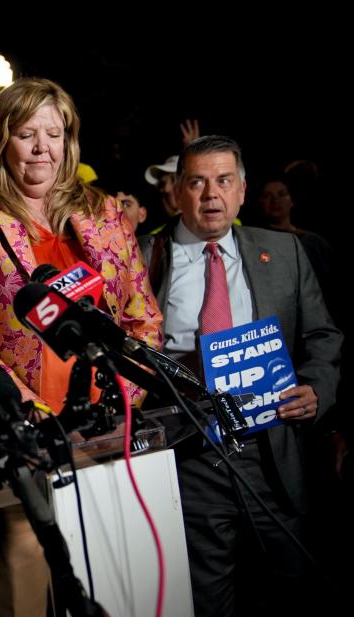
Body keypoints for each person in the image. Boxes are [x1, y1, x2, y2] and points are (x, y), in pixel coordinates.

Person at [0, 76, 163, 617]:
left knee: (112, 570)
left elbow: (140, 314)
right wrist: (29, 414)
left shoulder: (104, 211)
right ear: (0, 140)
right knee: (27, 574)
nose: (43, 148)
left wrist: (119, 396)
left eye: (54, 133)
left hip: (106, 422)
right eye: (26, 133)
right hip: (24, 431)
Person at [138, 135, 342, 616]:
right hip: (191, 452)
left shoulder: (285, 252)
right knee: (209, 600)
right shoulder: (142, 258)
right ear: (178, 189)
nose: (212, 194)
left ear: (242, 190)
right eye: (198, 182)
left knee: (296, 589)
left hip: (275, 450)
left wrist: (316, 389)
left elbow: (323, 337)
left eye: (224, 181)